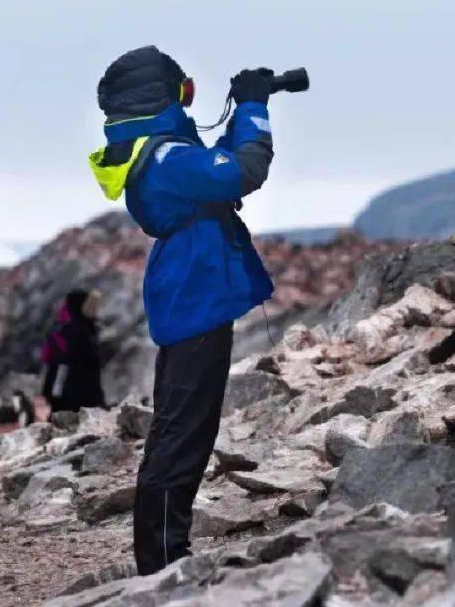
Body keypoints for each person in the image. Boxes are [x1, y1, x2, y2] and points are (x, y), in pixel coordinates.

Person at [89, 46, 275, 575]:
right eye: (184, 91)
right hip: (195, 294)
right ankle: (165, 561)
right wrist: (255, 110)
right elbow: (244, 170)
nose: (189, 100)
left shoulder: (161, 152)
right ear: (165, 97)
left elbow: (213, 170)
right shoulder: (166, 157)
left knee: (181, 426)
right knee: (183, 432)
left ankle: (163, 553)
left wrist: (241, 109)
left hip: (188, 291)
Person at [40, 289, 106, 414]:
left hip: (75, 390)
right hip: (72, 391)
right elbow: (66, 362)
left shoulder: (80, 327)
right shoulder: (74, 329)